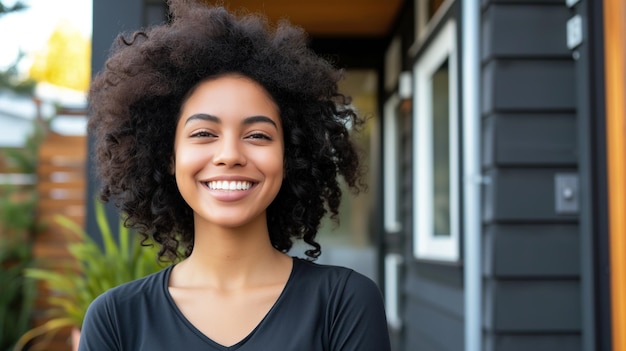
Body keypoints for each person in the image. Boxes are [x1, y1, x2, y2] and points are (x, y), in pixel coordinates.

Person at [80, 0, 391, 350]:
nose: (229, 155)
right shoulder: (116, 319)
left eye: (257, 135)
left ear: (289, 157)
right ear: (169, 156)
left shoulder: (344, 302)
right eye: (203, 134)